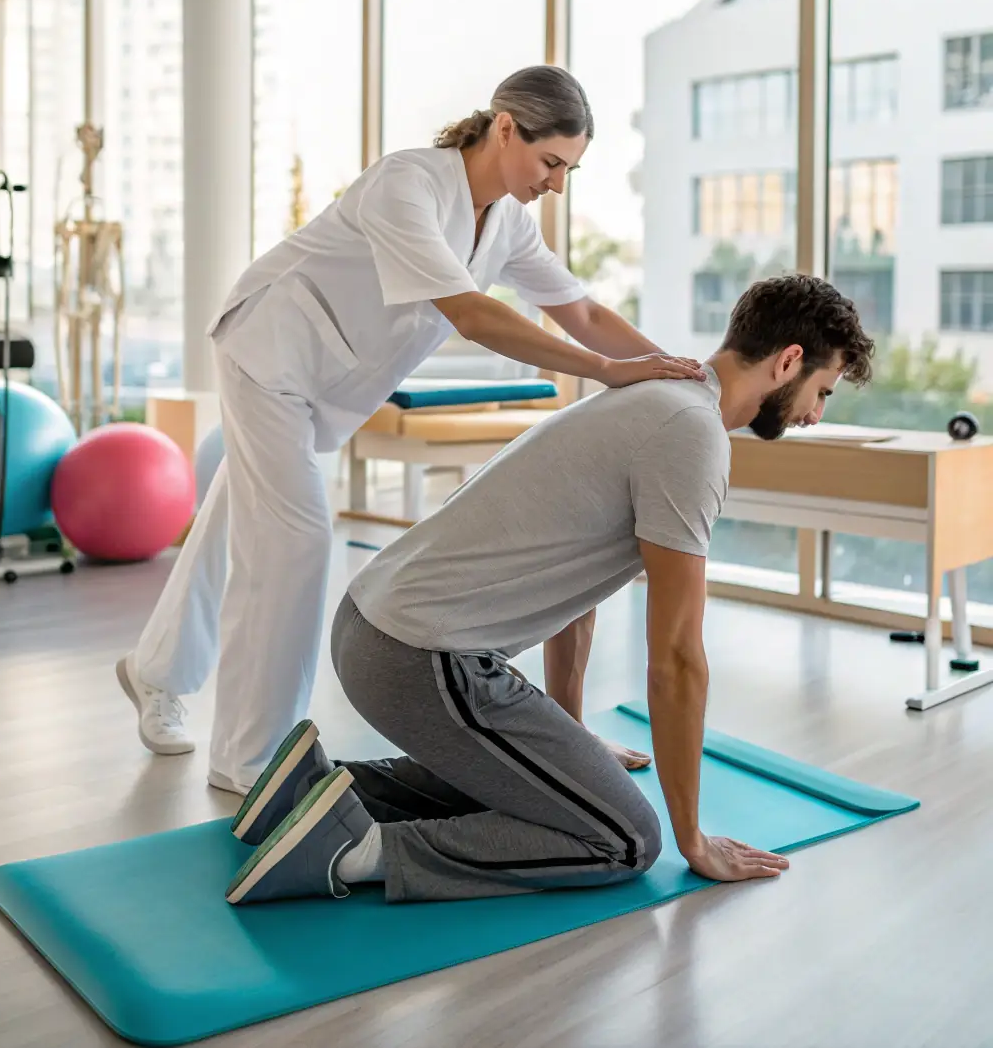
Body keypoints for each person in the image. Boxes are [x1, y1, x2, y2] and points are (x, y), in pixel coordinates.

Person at [117, 65, 705, 795]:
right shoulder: (409, 184)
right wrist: (606, 371)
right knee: (295, 540)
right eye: (551, 162)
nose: (557, 183)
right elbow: (473, 314)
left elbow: (580, 310)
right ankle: (250, 758)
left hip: (326, 382)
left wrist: (667, 367)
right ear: (505, 127)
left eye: (569, 170)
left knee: (236, 518)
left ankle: (153, 672)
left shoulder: (509, 224)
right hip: (270, 351)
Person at [221, 273, 875, 906]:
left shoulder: (646, 397)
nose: (816, 414)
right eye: (824, 390)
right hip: (421, 657)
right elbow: (676, 658)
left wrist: (570, 738)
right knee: (623, 838)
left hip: (371, 626)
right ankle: (357, 851)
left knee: (536, 788)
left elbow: (580, 592)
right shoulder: (691, 433)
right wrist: (691, 838)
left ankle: (317, 789)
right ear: (789, 361)